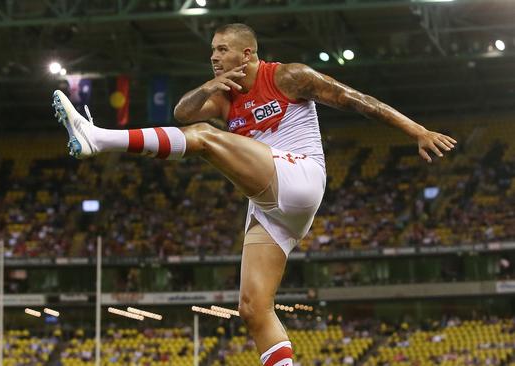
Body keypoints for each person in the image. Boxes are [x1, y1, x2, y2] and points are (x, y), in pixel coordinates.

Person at [51, 23, 456, 366]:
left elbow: (359, 101)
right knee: (253, 307)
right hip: (270, 205)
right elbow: (181, 113)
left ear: (246, 53)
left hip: (300, 176)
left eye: (222, 50)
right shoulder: (225, 97)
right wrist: (209, 84)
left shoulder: (288, 76)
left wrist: (417, 131)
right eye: (212, 50)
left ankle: (99, 138)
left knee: (208, 139)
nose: (214, 56)